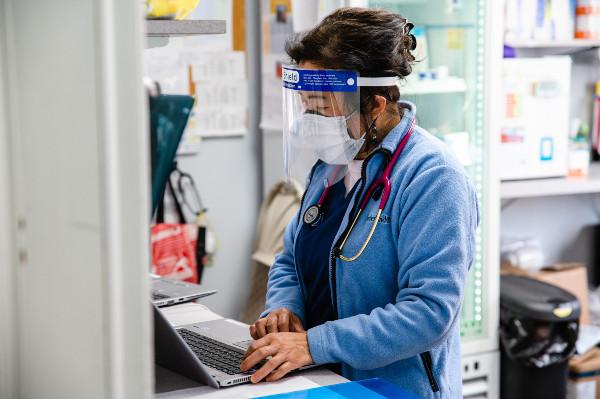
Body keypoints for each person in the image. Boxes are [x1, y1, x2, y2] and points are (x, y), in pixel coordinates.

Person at [240, 7, 479, 399]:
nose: (309, 118)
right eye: (306, 105)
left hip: (392, 389)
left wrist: (314, 344)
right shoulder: (332, 166)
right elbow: (290, 258)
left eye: (322, 105)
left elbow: (429, 313)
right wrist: (283, 310)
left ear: (375, 105)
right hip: (320, 381)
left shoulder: (433, 178)